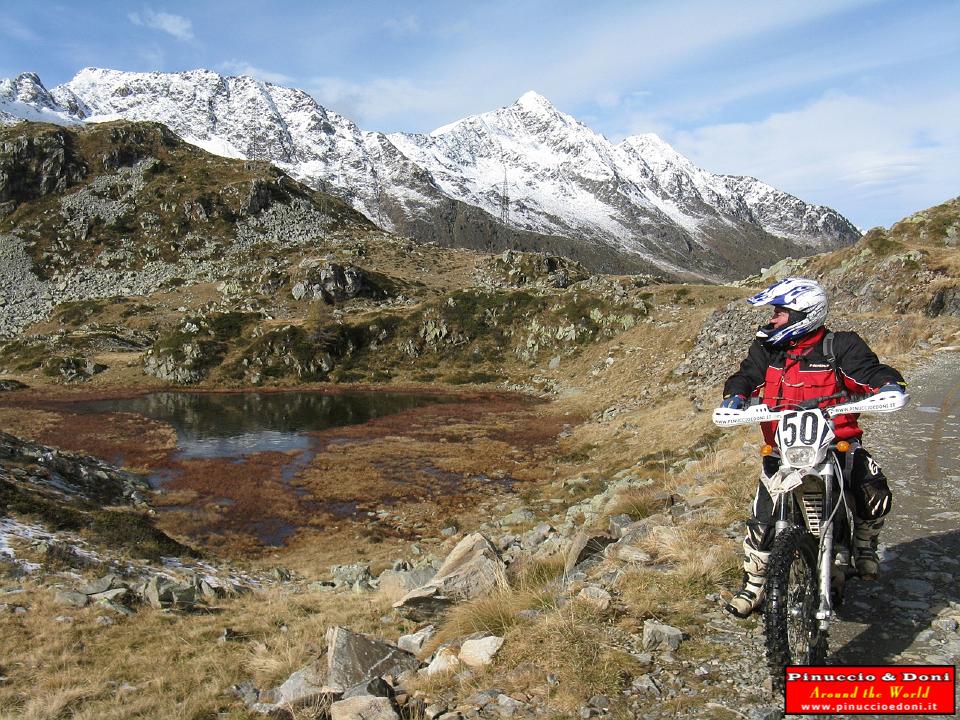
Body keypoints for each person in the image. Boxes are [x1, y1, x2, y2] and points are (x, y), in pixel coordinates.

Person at [719, 277, 906, 618]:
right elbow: (746, 376)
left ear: (804, 314)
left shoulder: (841, 346)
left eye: (779, 312)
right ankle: (755, 584)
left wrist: (889, 385)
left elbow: (870, 372)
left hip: (836, 444)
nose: (772, 318)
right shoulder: (767, 350)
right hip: (783, 449)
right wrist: (735, 396)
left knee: (872, 488)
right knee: (762, 517)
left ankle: (864, 544)